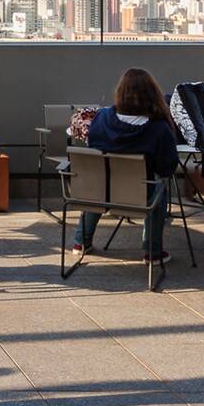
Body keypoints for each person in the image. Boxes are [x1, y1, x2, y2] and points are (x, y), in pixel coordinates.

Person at [64, 66, 181, 273]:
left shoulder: (101, 119)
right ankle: (152, 252)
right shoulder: (158, 129)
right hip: (140, 198)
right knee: (159, 184)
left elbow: (93, 146)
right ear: (152, 94)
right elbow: (167, 167)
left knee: (98, 182)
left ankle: (81, 242)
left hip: (101, 194)